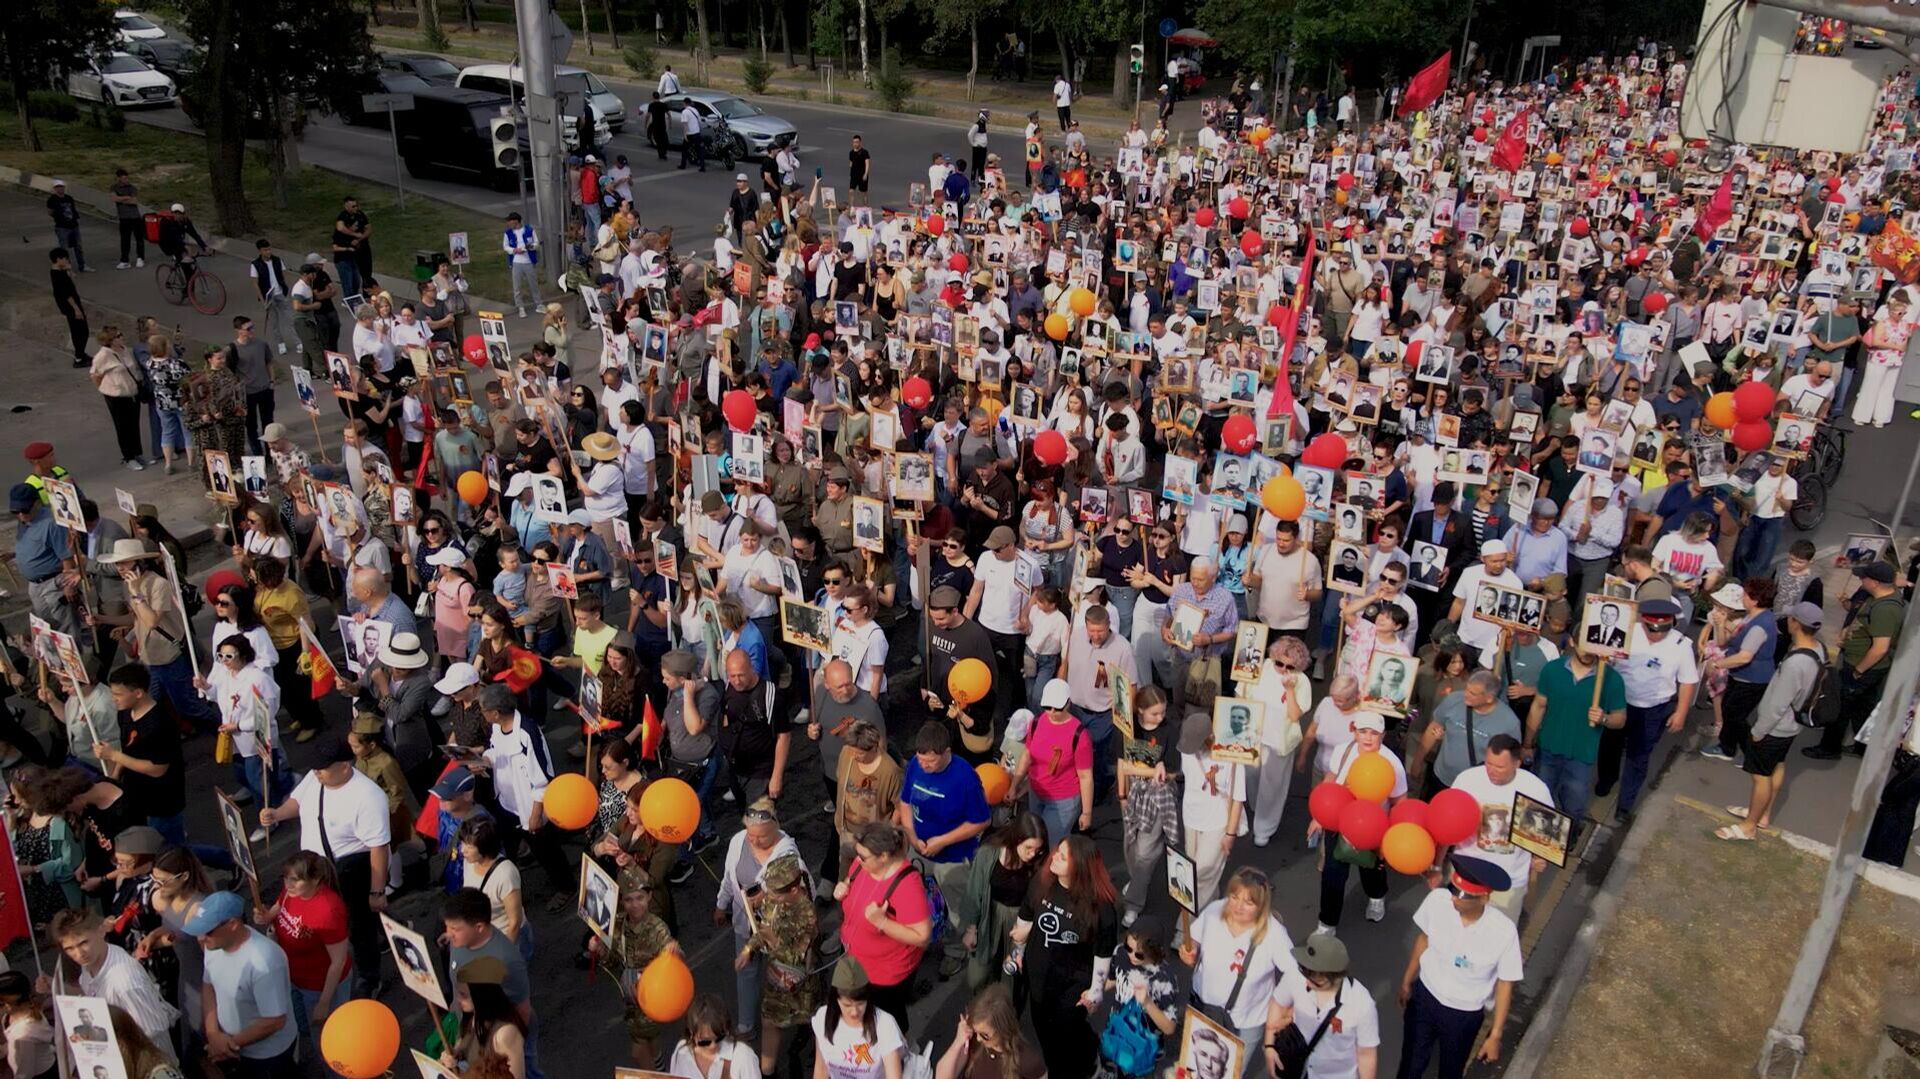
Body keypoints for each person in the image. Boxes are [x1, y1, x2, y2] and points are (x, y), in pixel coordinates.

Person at [258, 737, 392, 998]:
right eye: (316, 767)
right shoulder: (315, 778)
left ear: (344, 766)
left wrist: (376, 891)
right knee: (342, 917)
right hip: (314, 868)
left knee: (358, 925)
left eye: (323, 768)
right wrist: (277, 813)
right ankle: (385, 928)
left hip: (349, 869)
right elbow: (297, 802)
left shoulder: (368, 797)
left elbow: (378, 847)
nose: (316, 772)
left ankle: (369, 977)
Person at [1395, 855, 1523, 1078]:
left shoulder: (1503, 932)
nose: (1454, 898)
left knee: (1451, 1071)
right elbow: (1424, 939)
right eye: (1453, 889)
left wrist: (1495, 1035)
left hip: (1463, 1015)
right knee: (1410, 1065)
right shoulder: (1438, 901)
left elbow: (1505, 984)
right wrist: (1407, 981)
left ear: (1484, 898)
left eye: (1463, 895)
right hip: (1425, 997)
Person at [1010, 834, 1117, 1079]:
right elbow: (1025, 916)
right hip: (1038, 976)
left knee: (1068, 1031)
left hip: (1072, 985)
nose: (1054, 857)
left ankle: (1087, 1067)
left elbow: (1103, 951)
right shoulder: (1042, 882)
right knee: (1042, 1027)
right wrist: (1017, 952)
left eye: (1063, 856)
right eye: (1057, 852)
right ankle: (1059, 1067)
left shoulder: (1101, 907)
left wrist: (1096, 990)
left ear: (1079, 866)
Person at [1721, 603, 1826, 841]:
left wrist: (1759, 730)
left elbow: (1778, 703)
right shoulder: (1818, 649)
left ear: (1796, 623)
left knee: (1760, 776)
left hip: (1775, 727)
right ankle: (1763, 815)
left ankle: (1749, 826)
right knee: (1777, 766)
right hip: (1792, 726)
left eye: (1790, 618)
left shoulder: (1796, 663)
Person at [1179, 867, 1299, 1069]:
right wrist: (1189, 950)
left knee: (1228, 1071)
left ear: (1261, 905)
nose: (1238, 906)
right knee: (1195, 1067)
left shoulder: (1274, 935)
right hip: (1202, 1008)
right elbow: (1194, 939)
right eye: (1234, 897)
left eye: (1248, 902)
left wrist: (1286, 1007)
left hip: (1244, 1022)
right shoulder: (1214, 911)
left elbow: (1296, 975)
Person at [892, 721, 986, 975]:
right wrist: (911, 835)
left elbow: (980, 821)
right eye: (921, 760)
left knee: (956, 907)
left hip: (953, 856)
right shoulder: (915, 764)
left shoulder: (965, 778)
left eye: (930, 761)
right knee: (914, 898)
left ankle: (956, 951)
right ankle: (920, 939)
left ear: (946, 753)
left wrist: (943, 841)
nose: (924, 765)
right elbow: (905, 803)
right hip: (919, 849)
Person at [832, 821, 930, 1034]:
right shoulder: (862, 864)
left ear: (884, 856)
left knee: (887, 1021)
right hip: (853, 958)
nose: (858, 859)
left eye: (863, 856)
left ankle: (901, 1049)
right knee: (856, 1012)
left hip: (885, 974)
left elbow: (922, 936)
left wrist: (883, 922)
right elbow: (851, 879)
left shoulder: (907, 885)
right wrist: (844, 886)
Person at [1309, 712, 1404, 934]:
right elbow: (1331, 779)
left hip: (1372, 827)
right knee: (1333, 874)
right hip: (1338, 822)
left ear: (1383, 735)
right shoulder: (1343, 750)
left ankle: (1376, 896)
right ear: (1354, 732)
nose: (1368, 738)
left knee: (1371, 870)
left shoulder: (1392, 763)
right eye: (1363, 732)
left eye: (1374, 733)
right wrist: (1319, 816)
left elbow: (1400, 801)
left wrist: (1389, 838)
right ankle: (1327, 923)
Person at [189, 891, 299, 1077]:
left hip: (267, 1056)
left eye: (207, 931)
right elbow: (208, 986)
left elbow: (274, 1020)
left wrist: (227, 1044)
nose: (201, 938)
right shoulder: (213, 945)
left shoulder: (265, 962)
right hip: (233, 1047)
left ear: (232, 924)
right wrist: (213, 1034)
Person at [252, 852, 350, 1054]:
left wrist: (324, 1003)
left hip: (319, 987)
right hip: (295, 978)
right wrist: (266, 916)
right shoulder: (292, 892)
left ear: (316, 879)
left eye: (295, 880)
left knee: (328, 1042)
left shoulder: (328, 911)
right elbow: (278, 907)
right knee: (303, 1026)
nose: (288, 884)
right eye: (286, 878)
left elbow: (338, 961)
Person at [1263, 933, 1381, 1079]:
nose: (1306, 981)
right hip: (1295, 1069)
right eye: (1305, 971)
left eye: (1314, 978)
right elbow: (1278, 1004)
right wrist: (1269, 1046)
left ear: (1334, 977)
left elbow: (1366, 1054)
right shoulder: (1296, 976)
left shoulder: (1362, 1003)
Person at [811, 957, 905, 1079]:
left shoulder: (884, 1024)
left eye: (860, 1004)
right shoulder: (822, 1018)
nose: (854, 1012)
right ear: (835, 1000)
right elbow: (821, 1068)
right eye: (847, 1005)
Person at [932, 984, 1044, 1079]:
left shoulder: (1028, 1060)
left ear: (1003, 1030)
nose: (978, 1038)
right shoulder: (972, 1041)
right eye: (975, 1031)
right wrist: (958, 1041)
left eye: (985, 1035)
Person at [667, 994, 759, 1079]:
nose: (713, 1046)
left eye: (719, 1038)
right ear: (691, 1033)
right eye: (705, 1041)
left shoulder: (743, 1056)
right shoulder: (682, 1052)